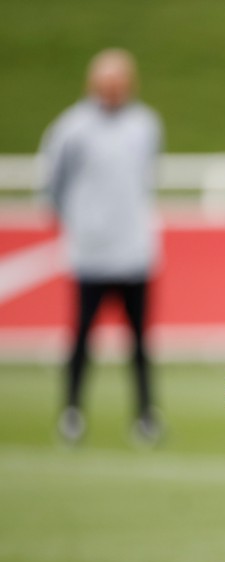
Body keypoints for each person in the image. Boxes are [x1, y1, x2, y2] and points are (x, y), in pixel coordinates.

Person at [40, 48, 164, 446]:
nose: (113, 90)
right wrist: (82, 223)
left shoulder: (145, 125)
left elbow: (145, 178)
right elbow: (53, 186)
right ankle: (72, 413)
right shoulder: (71, 129)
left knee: (140, 342)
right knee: (81, 338)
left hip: (134, 251)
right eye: (107, 83)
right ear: (93, 84)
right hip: (91, 253)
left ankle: (145, 415)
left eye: (120, 82)